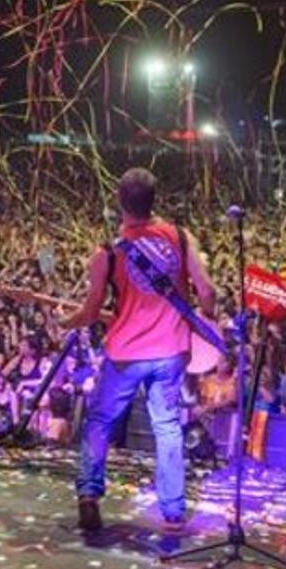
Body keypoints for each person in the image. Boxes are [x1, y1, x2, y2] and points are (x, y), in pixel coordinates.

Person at [59, 167, 216, 534]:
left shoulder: (107, 254)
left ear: (119, 202)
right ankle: (174, 512)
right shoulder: (179, 237)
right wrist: (206, 318)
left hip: (126, 354)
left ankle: (89, 496)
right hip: (171, 353)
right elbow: (207, 293)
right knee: (167, 428)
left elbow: (91, 313)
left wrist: (67, 321)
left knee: (100, 422)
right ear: (155, 199)